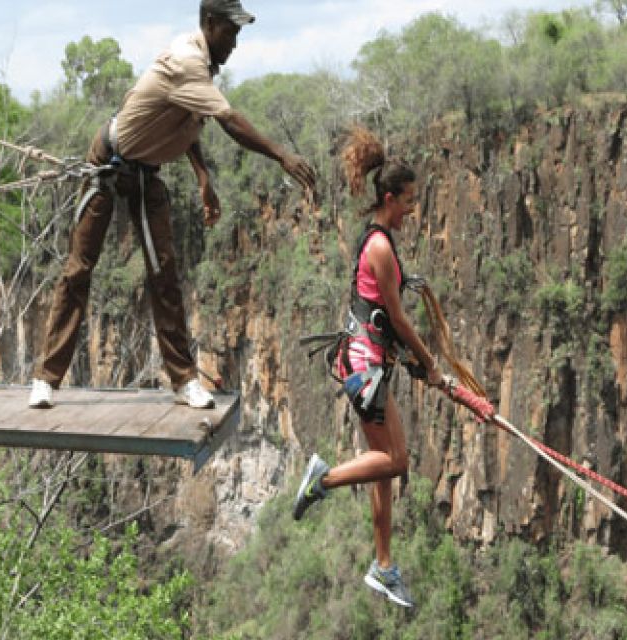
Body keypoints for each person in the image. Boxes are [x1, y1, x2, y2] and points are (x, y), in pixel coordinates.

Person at [28, 0, 315, 409]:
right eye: (230, 32)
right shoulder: (187, 61)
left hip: (147, 173)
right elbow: (229, 122)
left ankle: (183, 381)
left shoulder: (202, 68)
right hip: (108, 161)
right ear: (210, 24)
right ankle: (46, 379)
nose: (235, 43)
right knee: (78, 269)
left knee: (164, 274)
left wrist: (202, 177)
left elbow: (188, 120)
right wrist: (281, 155)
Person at [292, 127, 447, 608]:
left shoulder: (382, 243)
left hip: (371, 365)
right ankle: (323, 478)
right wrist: (429, 363)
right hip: (366, 368)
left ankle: (383, 567)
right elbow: (396, 318)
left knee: (384, 466)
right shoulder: (379, 245)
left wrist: (410, 354)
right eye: (407, 201)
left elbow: (383, 307)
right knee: (395, 461)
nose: (412, 210)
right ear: (388, 197)